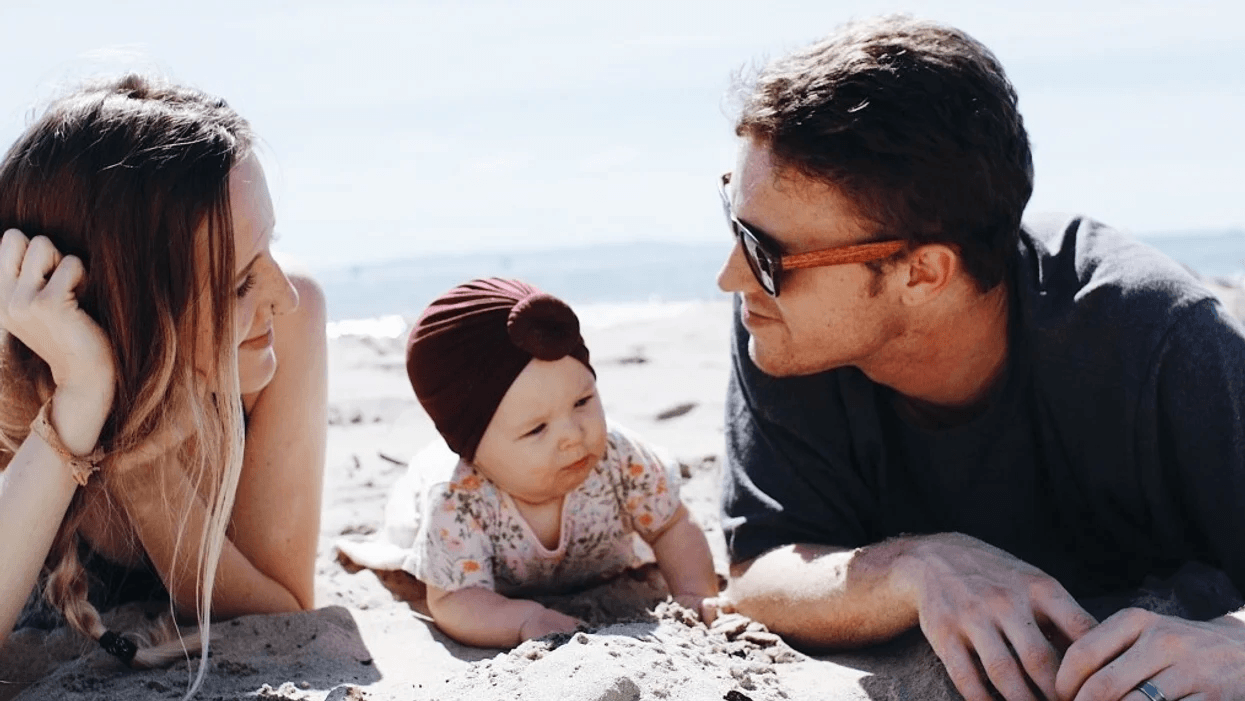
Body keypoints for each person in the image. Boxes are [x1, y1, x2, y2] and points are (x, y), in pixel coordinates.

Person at [715, 15, 1245, 701]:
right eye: (733, 219)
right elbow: (759, 571)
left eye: (764, 252)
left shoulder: (1154, 337)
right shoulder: (784, 328)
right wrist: (918, 564)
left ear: (923, 273)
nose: (731, 275)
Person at [0, 74, 327, 694]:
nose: (280, 297)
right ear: (122, 314)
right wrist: (87, 390)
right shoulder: (13, 378)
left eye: (272, 246)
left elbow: (284, 609)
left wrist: (142, 464)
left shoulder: (290, 323)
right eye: (237, 284)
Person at [367, 277, 717, 647]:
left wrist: (694, 591)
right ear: (471, 449)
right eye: (536, 429)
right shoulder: (459, 497)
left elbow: (672, 524)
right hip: (441, 522)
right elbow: (455, 599)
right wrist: (523, 619)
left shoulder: (619, 457)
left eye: (582, 402)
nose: (573, 435)